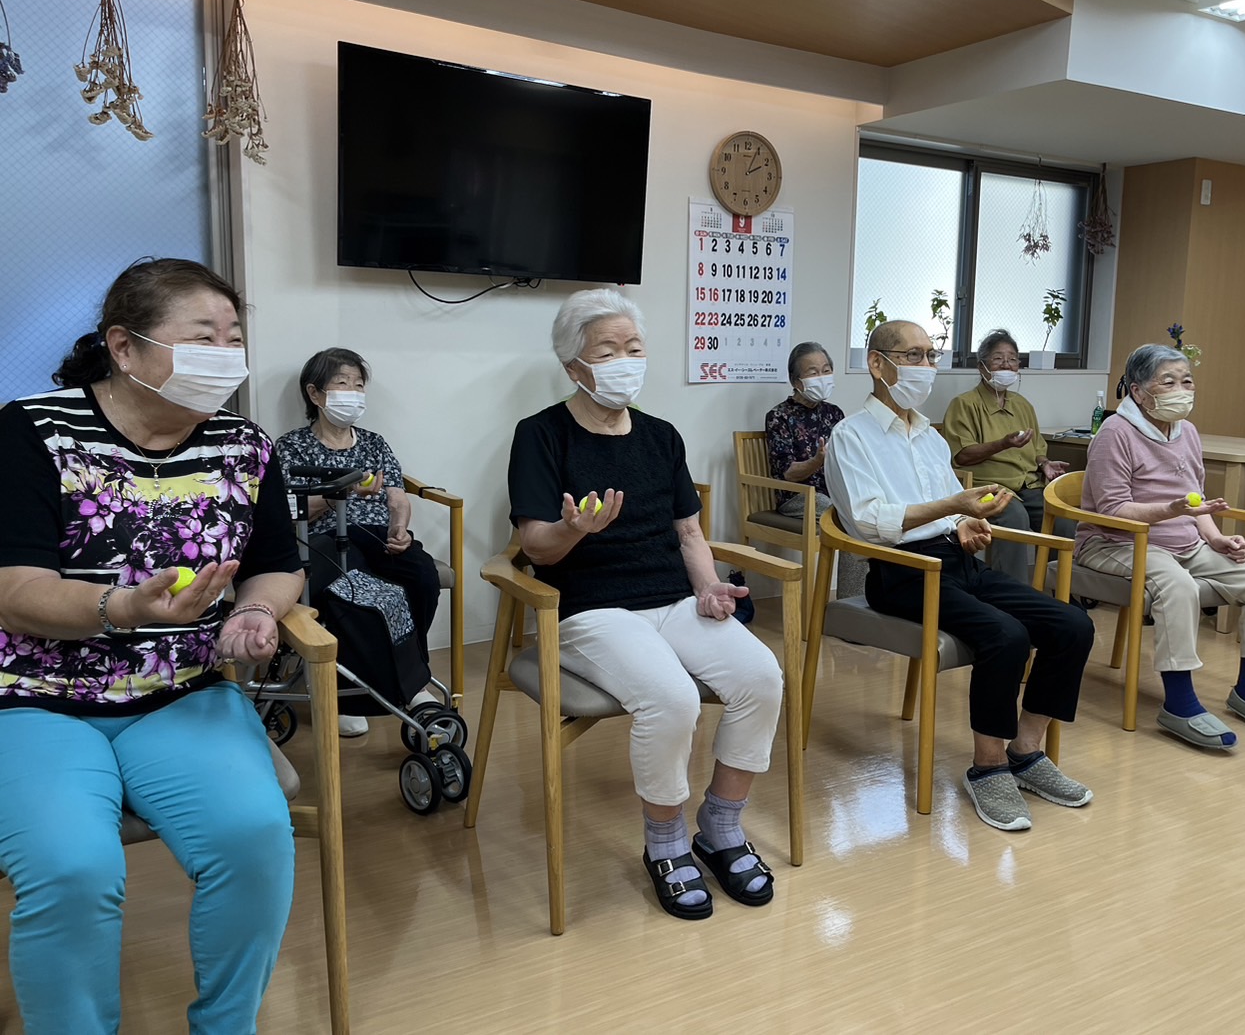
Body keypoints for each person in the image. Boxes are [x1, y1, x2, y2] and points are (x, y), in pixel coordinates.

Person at [0, 258, 304, 1033]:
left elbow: (277, 564)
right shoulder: (34, 431)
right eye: (202, 338)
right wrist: (122, 608)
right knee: (73, 867)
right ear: (122, 347)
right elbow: (14, 590)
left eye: (233, 338)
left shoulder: (246, 446)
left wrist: (257, 612)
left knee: (255, 837)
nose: (225, 356)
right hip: (37, 699)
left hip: (184, 694)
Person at [507, 288, 784, 920]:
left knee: (761, 676)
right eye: (607, 350)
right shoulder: (541, 435)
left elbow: (689, 532)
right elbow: (535, 547)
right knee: (672, 698)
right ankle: (665, 842)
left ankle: (720, 826)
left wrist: (708, 587)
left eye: (633, 348)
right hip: (591, 609)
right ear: (573, 365)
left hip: (673, 600)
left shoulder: (661, 437)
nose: (625, 361)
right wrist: (574, 528)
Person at [827, 319, 1095, 832]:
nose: (926, 366)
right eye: (913, 356)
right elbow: (866, 521)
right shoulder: (851, 435)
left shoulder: (929, 437)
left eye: (931, 355)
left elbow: (948, 509)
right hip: (902, 571)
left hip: (956, 561)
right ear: (877, 364)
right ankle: (988, 767)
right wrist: (953, 507)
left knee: (1072, 625)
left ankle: (1026, 753)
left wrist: (966, 521)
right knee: (1006, 635)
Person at [1075, 343, 1245, 749]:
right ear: (1138, 391)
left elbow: (1196, 499)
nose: (1182, 390)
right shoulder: (1115, 433)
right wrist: (1171, 510)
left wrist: (1216, 538)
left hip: (1183, 544)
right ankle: (1178, 704)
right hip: (1115, 542)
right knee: (1179, 587)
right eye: (1168, 382)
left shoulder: (1187, 432)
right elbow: (1113, 509)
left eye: (1187, 381)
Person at [274, 348, 442, 736]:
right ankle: (346, 694)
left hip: (376, 534)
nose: (353, 391)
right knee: (355, 589)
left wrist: (400, 528)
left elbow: (397, 496)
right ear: (315, 394)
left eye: (358, 384)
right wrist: (341, 492)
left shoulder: (374, 443)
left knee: (422, 577)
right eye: (342, 383)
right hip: (323, 540)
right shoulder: (292, 446)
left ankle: (412, 681)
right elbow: (291, 510)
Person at [942, 329, 1070, 583]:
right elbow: (961, 457)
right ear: (981, 366)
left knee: (1062, 518)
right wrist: (1002, 444)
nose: (1006, 365)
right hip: (985, 487)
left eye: (1012, 359)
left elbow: (1038, 450)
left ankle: (1060, 589)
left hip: (1028, 484)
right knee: (1014, 517)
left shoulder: (1022, 404)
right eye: (998, 359)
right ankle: (1012, 590)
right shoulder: (964, 404)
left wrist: (1045, 464)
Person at [764, 341, 865, 598]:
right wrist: (817, 461)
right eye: (813, 372)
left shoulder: (834, 414)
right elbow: (787, 473)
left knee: (871, 513)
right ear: (795, 381)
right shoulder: (779, 416)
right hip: (798, 497)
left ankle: (865, 601)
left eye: (826, 370)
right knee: (851, 520)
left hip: (834, 494)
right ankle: (849, 605)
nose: (822, 377)